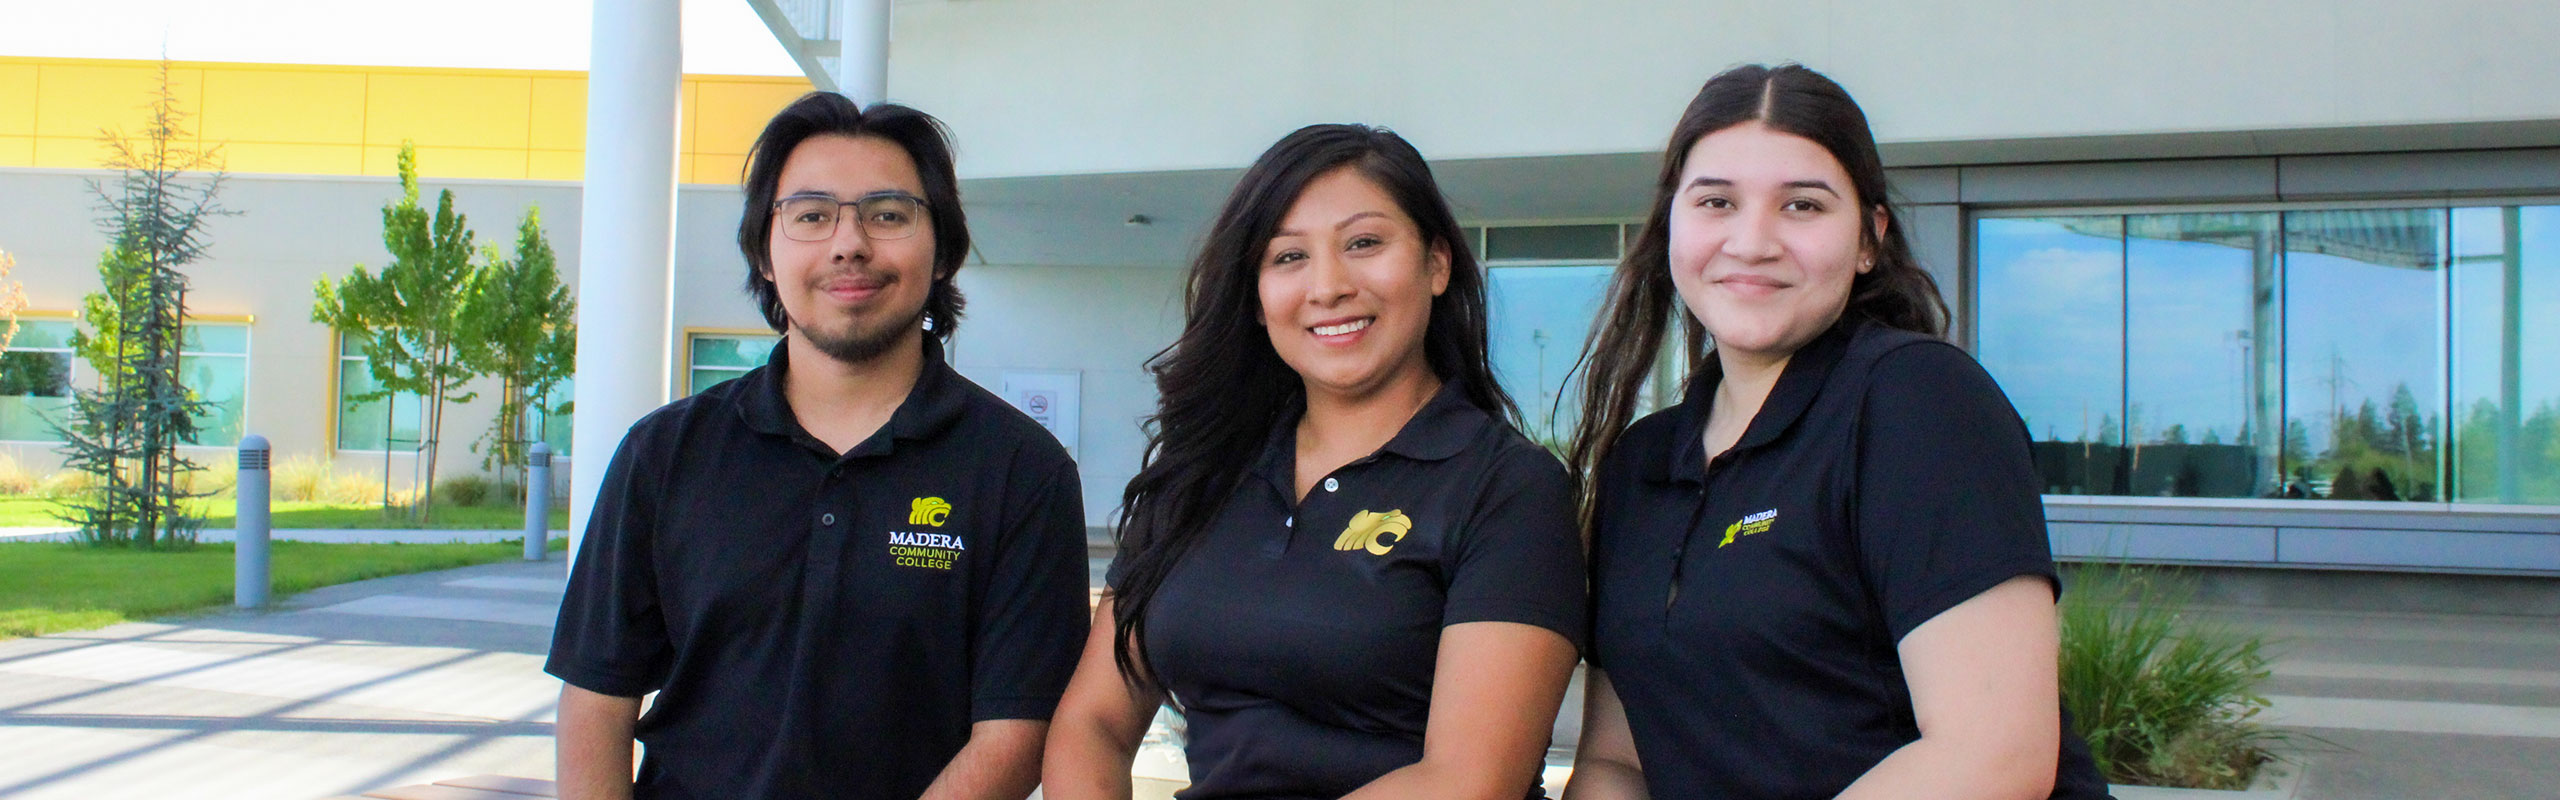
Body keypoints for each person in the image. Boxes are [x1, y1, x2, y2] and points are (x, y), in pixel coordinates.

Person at [1561, 64, 2112, 799]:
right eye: (1717, 201)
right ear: (1672, 225)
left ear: (1868, 240)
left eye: (1803, 206)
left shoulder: (1919, 403)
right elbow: (1616, 761)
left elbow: (1994, 756)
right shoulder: (1644, 463)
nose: (1752, 241)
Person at [546, 92, 1090, 800]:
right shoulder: (665, 453)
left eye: (888, 214)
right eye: (811, 215)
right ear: (764, 255)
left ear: (944, 250)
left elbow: (1016, 734)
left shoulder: (1022, 470)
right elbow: (596, 697)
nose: (849, 243)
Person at [1042, 124, 1586, 800]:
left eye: (1364, 243)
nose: (1327, 287)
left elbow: (1470, 781)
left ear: (1437, 263)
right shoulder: (1201, 474)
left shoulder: (1508, 487)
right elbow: (1091, 722)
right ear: (1257, 294)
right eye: (1288, 257)